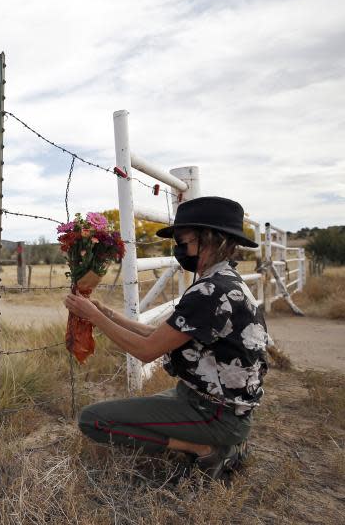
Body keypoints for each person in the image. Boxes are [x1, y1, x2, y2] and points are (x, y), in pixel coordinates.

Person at [64, 196, 267, 478]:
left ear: (210, 240)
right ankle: (218, 441)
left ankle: (207, 449)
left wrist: (94, 317)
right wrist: (107, 313)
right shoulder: (223, 283)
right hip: (216, 405)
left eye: (184, 242)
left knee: (94, 420)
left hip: (217, 413)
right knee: (127, 413)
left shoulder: (211, 292)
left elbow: (147, 350)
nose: (179, 250)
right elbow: (159, 336)